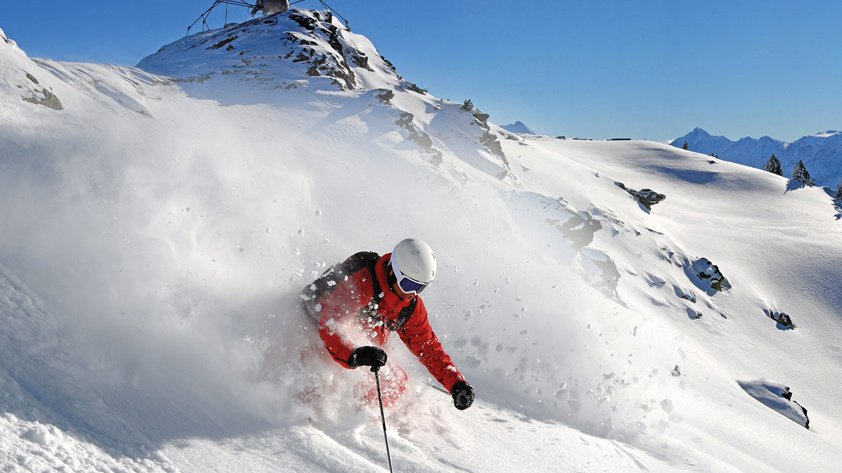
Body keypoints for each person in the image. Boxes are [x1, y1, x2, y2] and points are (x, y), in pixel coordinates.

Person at [300, 238, 474, 410]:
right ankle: (311, 418)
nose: (412, 293)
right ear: (394, 272)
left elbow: (428, 348)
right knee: (322, 380)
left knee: (395, 382)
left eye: (420, 288)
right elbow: (330, 323)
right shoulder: (361, 279)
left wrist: (456, 383)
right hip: (315, 334)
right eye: (409, 284)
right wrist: (356, 355)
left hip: (356, 350)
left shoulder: (410, 307)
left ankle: (361, 419)